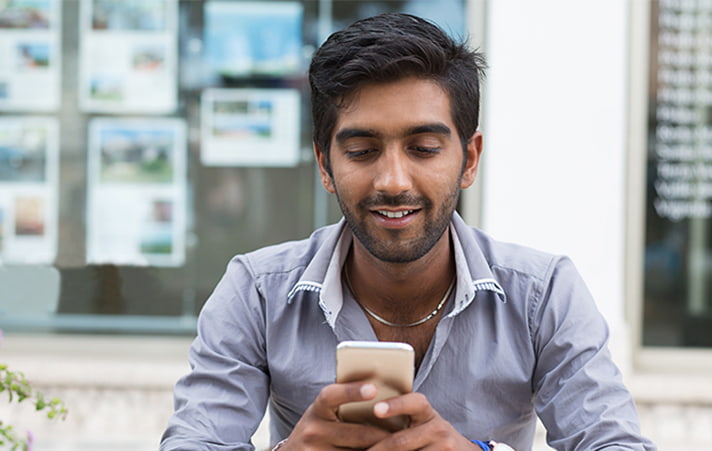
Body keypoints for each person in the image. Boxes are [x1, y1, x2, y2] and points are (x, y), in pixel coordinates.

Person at [161, 12, 655, 451]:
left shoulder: (542, 293)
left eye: (423, 148)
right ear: (324, 165)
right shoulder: (257, 291)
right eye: (361, 151)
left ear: (470, 159)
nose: (393, 181)